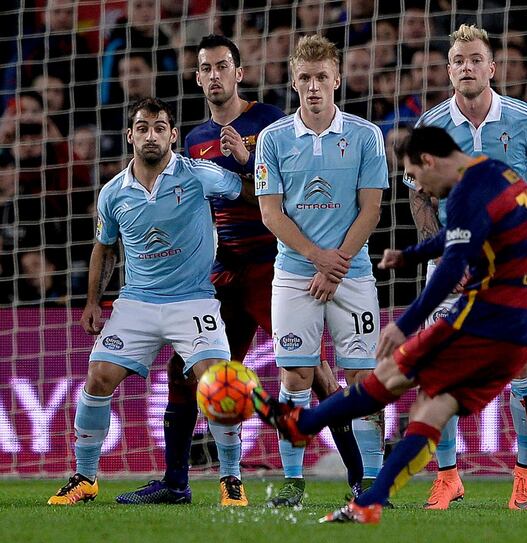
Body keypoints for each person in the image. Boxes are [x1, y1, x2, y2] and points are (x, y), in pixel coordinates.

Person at [253, 125, 527, 524]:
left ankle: (303, 423)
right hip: (522, 327)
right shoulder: (497, 173)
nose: (422, 189)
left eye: (417, 175)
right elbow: (457, 236)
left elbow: (452, 267)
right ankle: (369, 501)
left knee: (393, 371)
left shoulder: (465, 191)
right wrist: (410, 255)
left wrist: (404, 326)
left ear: (428, 160)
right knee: (435, 404)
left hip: (486, 319)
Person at [114, 35, 363, 506]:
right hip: (225, 271)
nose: (214, 75)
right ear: (197, 78)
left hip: (274, 266)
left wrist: (248, 167)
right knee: (184, 371)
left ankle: (360, 479)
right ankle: (175, 483)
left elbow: (293, 197)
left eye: (222, 66)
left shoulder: (271, 123)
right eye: (205, 68)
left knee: (313, 371)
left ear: (238, 73)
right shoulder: (193, 140)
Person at [47, 97, 248, 506]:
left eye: (159, 128)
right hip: (136, 303)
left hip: (193, 301)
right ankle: (85, 477)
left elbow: (247, 191)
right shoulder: (113, 192)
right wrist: (92, 302)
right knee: (97, 379)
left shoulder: (198, 175)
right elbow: (104, 248)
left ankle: (231, 479)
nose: (151, 135)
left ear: (173, 135)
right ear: (130, 136)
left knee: (218, 383)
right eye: (143, 128)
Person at [408, 24, 527, 510]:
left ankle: (525, 471)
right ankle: (449, 475)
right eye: (458, 61)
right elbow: (418, 197)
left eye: (476, 59)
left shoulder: (524, 120)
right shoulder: (432, 127)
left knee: (521, 367)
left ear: (492, 68)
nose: (467, 68)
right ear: (449, 69)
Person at [254, 34, 388, 506]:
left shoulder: (366, 135)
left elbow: (370, 211)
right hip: (294, 274)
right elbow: (271, 214)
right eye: (305, 78)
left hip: (352, 274)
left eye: (321, 78)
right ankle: (293, 483)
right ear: (294, 82)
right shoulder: (272, 139)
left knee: (362, 380)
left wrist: (335, 267)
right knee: (295, 377)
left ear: (337, 80)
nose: (313, 87)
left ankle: (371, 482)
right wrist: (317, 258)